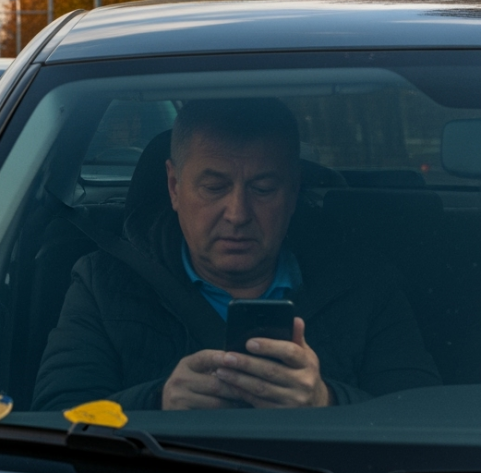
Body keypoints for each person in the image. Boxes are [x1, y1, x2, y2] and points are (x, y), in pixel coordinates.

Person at [35, 99, 441, 412]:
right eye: (214, 188)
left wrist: (326, 401)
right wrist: (158, 402)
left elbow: (422, 419)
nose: (238, 213)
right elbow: (56, 423)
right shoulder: (104, 284)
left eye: (263, 189)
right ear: (174, 187)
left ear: (293, 191)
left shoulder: (363, 286)